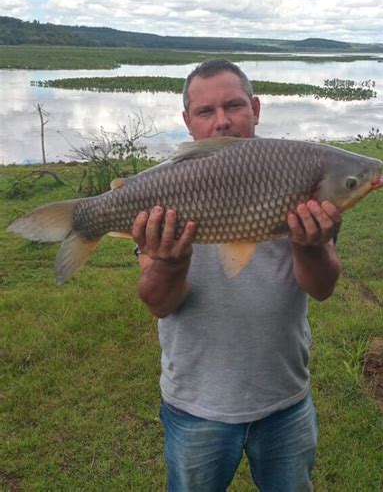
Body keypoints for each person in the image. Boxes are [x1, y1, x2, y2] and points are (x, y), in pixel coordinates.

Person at [132, 60, 342, 492]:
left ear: (256, 108)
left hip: (284, 396)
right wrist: (171, 261)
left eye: (234, 106)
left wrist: (309, 244)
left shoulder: (295, 171)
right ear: (188, 122)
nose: (222, 121)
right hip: (195, 403)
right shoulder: (160, 190)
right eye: (205, 112)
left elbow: (322, 288)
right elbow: (158, 302)